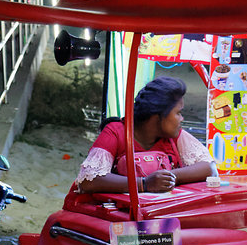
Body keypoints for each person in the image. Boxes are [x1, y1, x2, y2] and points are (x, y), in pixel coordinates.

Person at [76, 76, 216, 193]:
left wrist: (170, 177)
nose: (182, 119)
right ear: (157, 116)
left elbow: (209, 168)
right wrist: (144, 184)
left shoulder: (175, 136)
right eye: (178, 113)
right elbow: (88, 180)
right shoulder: (115, 132)